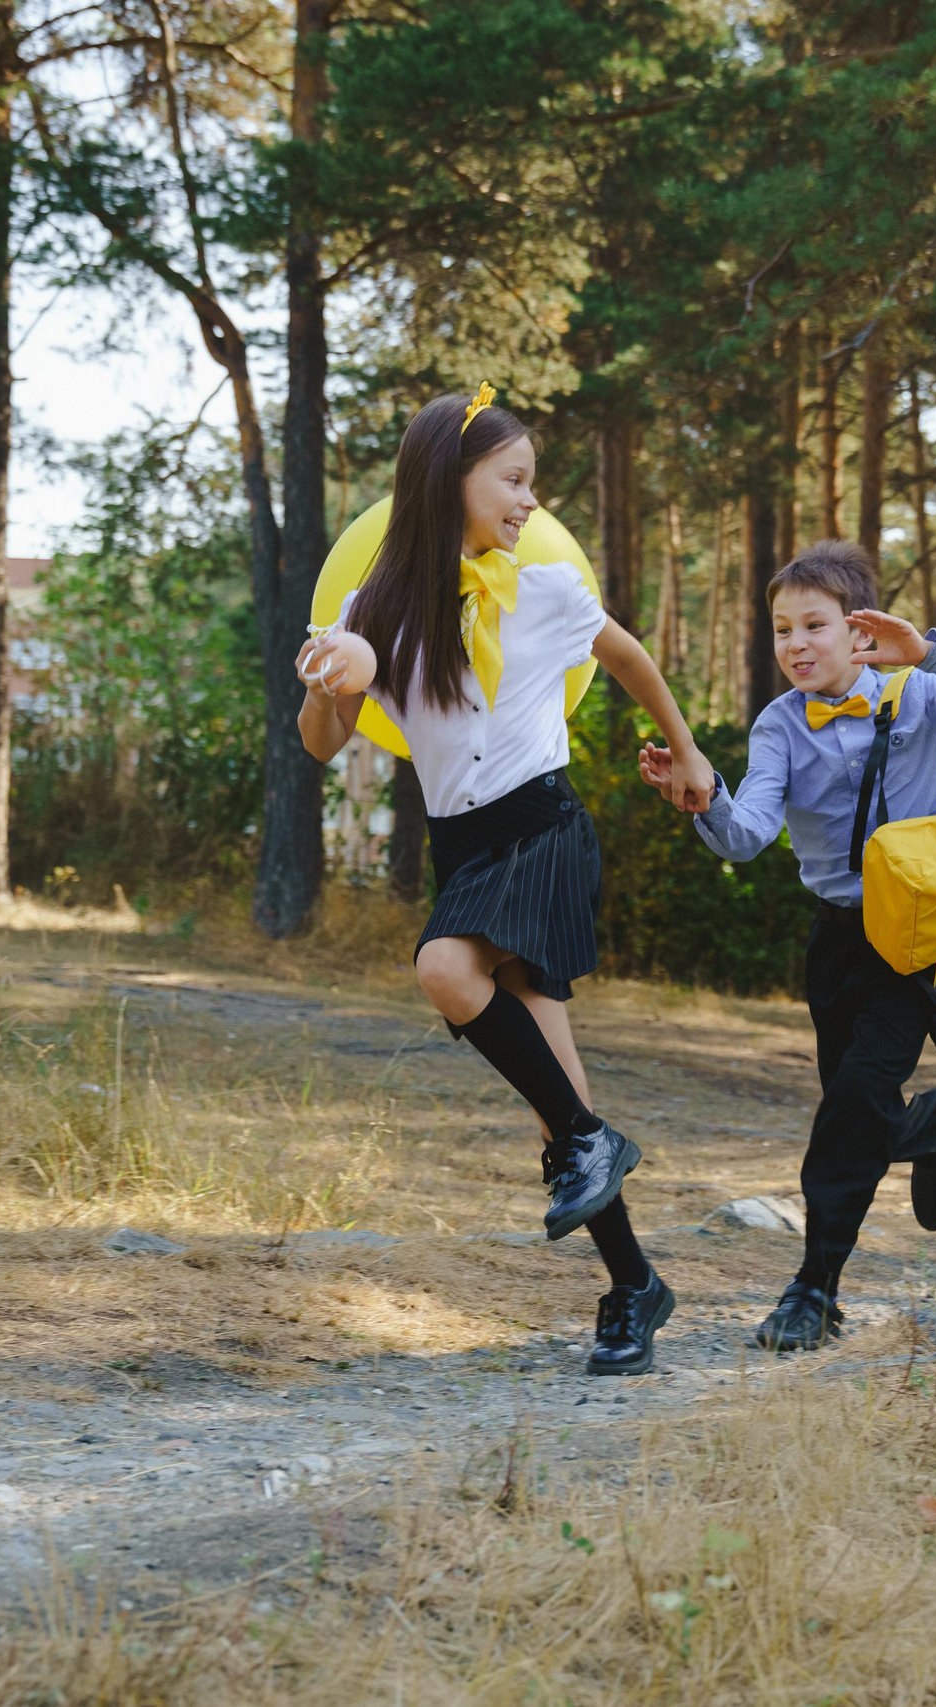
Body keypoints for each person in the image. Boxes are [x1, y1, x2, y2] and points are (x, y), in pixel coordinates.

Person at [297, 387, 715, 1377]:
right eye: (514, 481)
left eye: (533, 482)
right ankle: (633, 1288)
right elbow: (322, 744)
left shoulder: (546, 589)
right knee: (557, 1099)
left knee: (446, 969)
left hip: (545, 828)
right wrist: (338, 683)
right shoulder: (371, 614)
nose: (531, 502)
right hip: (466, 845)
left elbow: (626, 655)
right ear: (451, 481)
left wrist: (689, 752)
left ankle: (587, 1142)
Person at [640, 539, 936, 1352]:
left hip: (915, 935)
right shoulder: (778, 725)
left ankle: (813, 1290)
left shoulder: (924, 694)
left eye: (815, 625)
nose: (796, 643)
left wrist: (927, 649)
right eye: (783, 628)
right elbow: (749, 835)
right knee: (853, 1110)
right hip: (834, 944)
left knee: (855, 1101)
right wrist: (704, 796)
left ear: (858, 630)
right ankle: (925, 1127)